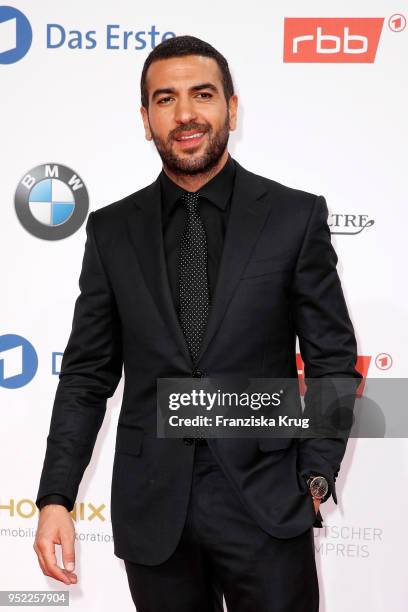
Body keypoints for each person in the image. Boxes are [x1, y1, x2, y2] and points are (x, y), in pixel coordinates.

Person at [33, 35, 362, 611]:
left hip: (266, 503)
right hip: (154, 511)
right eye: (165, 99)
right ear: (145, 118)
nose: (185, 114)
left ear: (231, 107)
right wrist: (56, 496)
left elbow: (332, 358)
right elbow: (87, 374)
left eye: (202, 94)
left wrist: (315, 476)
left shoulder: (293, 216)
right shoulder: (112, 231)